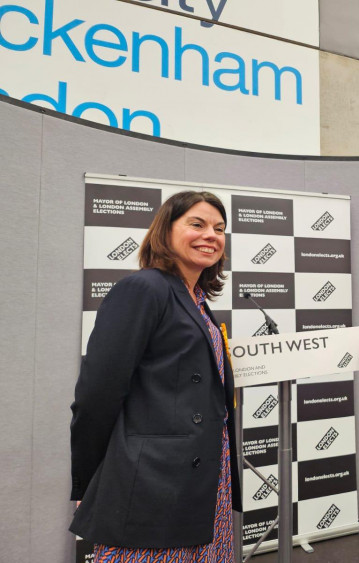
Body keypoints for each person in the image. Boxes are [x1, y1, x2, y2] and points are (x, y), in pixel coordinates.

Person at [69, 191, 241, 561]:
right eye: (197, 224)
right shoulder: (143, 288)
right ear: (165, 231)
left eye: (219, 228)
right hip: (153, 480)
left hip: (202, 474)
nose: (210, 234)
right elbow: (97, 393)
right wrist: (90, 477)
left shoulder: (197, 300)